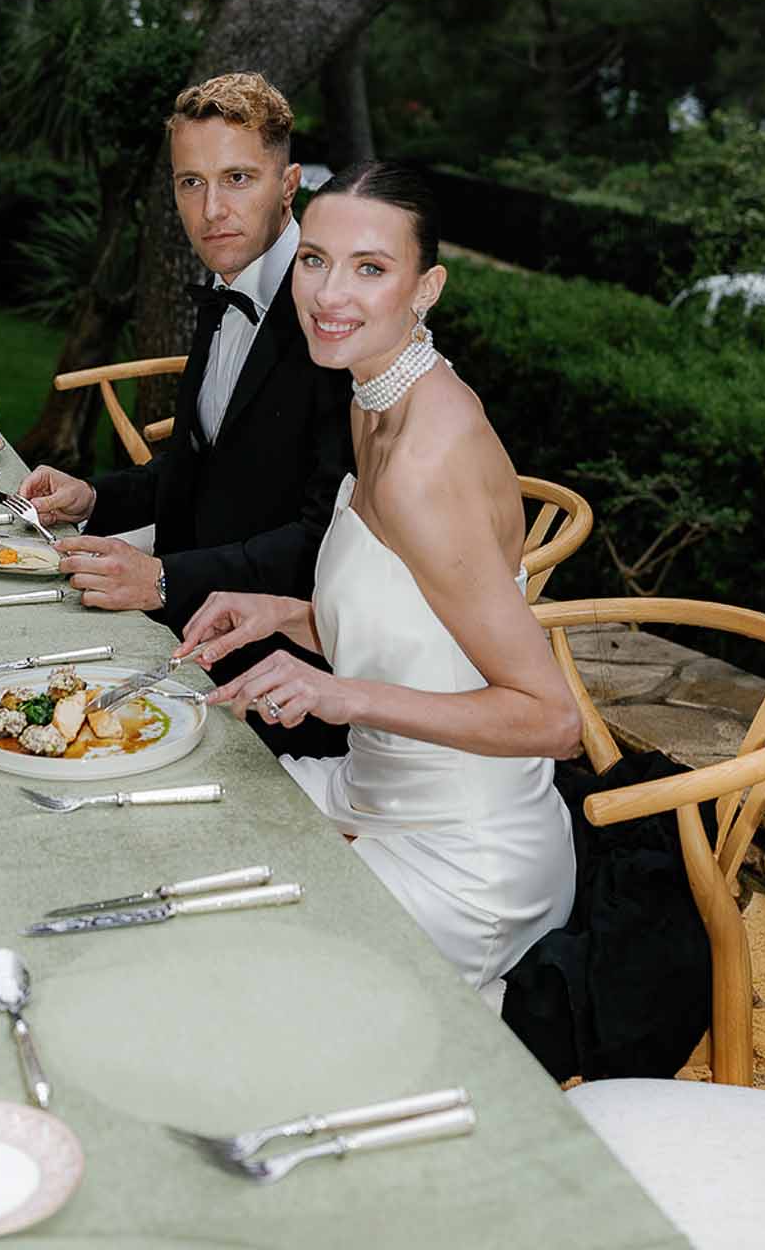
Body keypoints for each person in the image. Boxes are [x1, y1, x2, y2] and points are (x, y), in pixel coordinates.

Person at [176, 159, 581, 990]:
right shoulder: (375, 398)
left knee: (218, 961)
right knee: (178, 815)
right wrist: (285, 615)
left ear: (426, 287)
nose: (330, 296)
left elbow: (552, 721)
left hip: (464, 855)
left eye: (371, 269)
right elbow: (422, 625)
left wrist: (341, 694)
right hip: (373, 788)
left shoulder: (424, 464)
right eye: (316, 260)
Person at [23, 72, 353, 757]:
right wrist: (93, 497)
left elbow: (326, 543)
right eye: (190, 183)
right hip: (184, 631)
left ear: (288, 185)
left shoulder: (332, 321)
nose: (211, 211)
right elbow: (200, 465)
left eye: (238, 178)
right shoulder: (227, 287)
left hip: (283, 681)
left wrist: (165, 579)